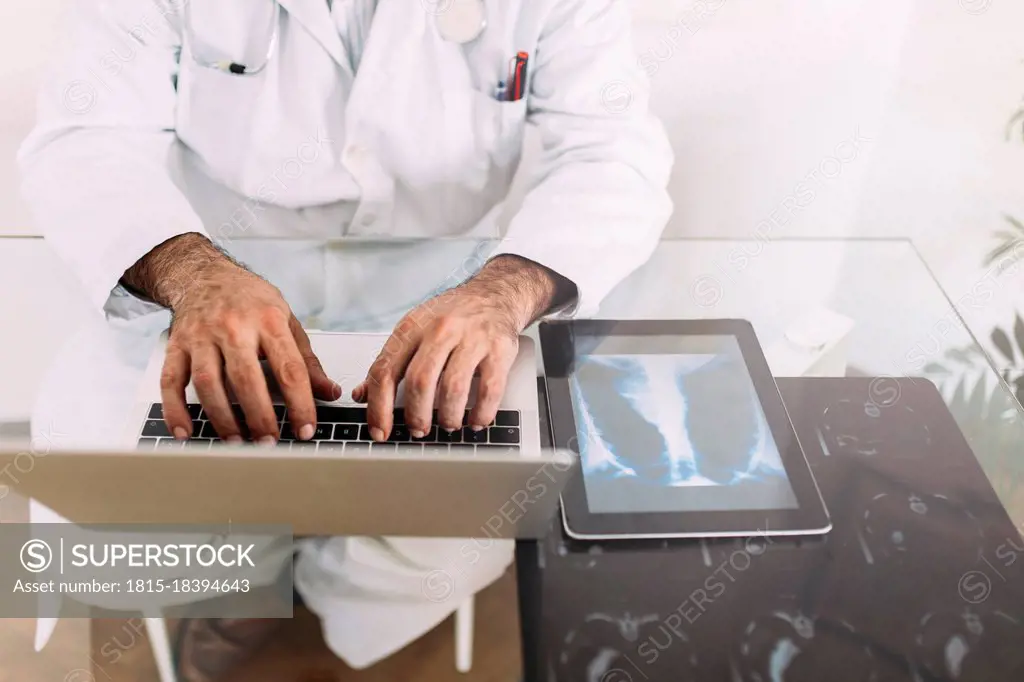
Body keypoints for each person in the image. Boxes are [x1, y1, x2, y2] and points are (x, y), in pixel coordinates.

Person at [19, 0, 672, 677]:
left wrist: (503, 291)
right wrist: (193, 276)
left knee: (459, 536)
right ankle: (243, 591)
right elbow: (85, 137)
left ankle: (331, 600)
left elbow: (613, 151)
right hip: (210, 279)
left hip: (444, 293)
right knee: (128, 489)